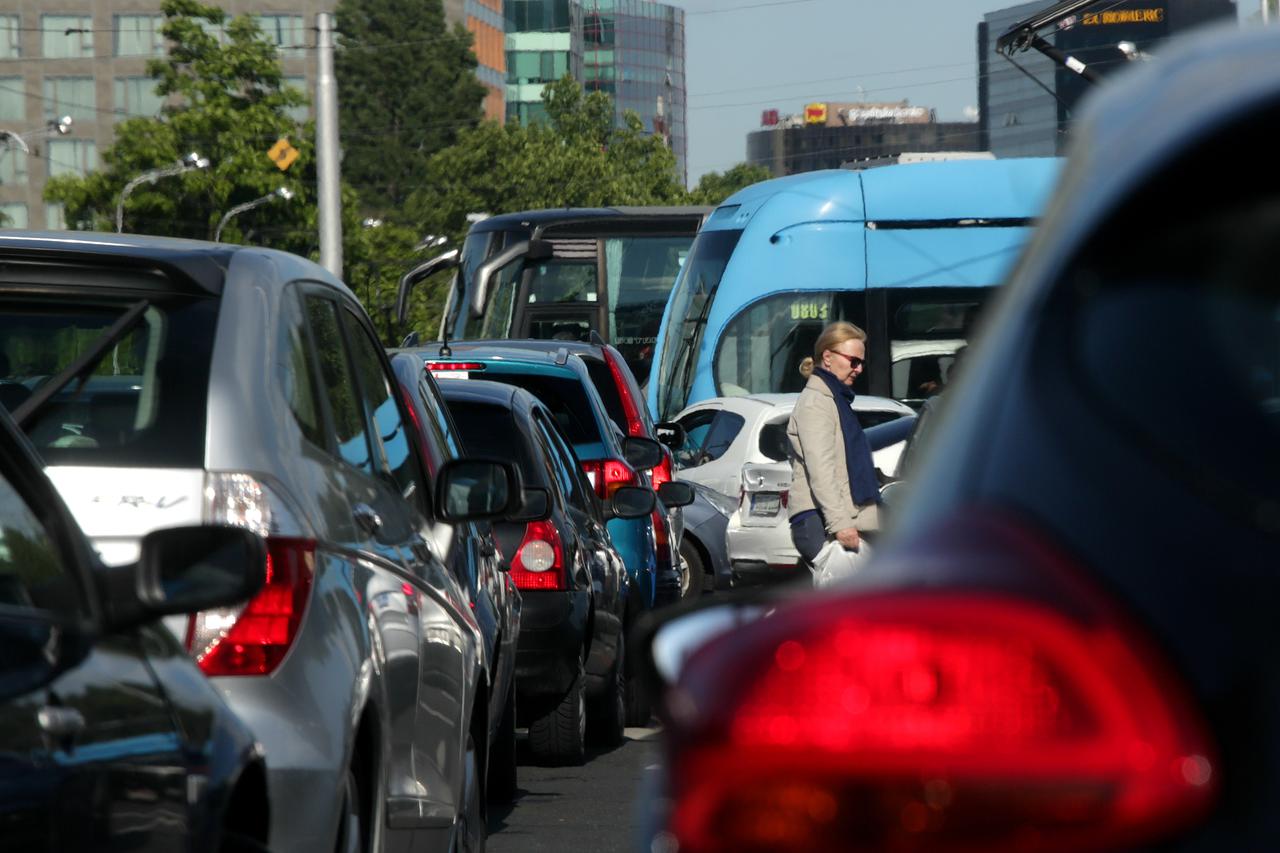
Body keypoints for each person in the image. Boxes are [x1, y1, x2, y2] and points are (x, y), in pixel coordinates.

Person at [787, 321, 880, 578]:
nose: (859, 369)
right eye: (853, 361)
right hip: (822, 524)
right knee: (850, 613)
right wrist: (840, 525)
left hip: (829, 523)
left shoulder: (834, 399)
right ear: (827, 357)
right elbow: (822, 469)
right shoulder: (816, 403)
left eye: (861, 362)